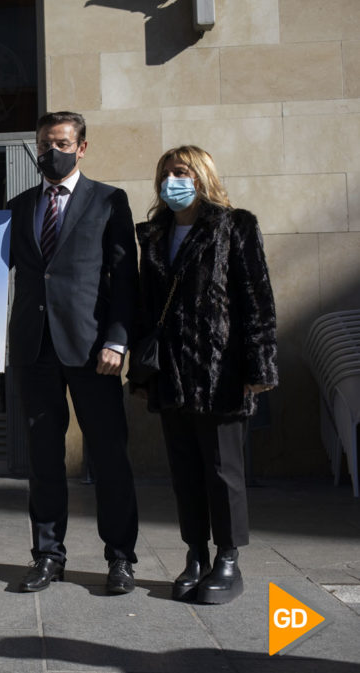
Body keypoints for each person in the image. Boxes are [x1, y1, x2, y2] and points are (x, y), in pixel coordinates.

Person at [131, 145, 277, 604]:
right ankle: (195, 553)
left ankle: (228, 558)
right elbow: (147, 307)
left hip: (221, 371)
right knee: (185, 471)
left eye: (182, 172)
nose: (173, 180)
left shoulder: (235, 226)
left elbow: (257, 300)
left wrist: (260, 367)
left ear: (202, 177)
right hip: (172, 371)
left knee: (223, 469)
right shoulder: (155, 234)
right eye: (167, 173)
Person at [8, 111, 140, 594]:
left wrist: (118, 339)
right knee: (44, 461)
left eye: (61, 143)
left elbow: (126, 277)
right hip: (34, 348)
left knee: (109, 457)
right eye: (44, 144)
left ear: (82, 147)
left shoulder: (108, 201)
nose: (52, 152)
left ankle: (121, 559)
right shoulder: (19, 205)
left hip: (92, 351)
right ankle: (47, 556)